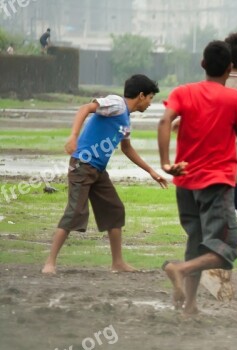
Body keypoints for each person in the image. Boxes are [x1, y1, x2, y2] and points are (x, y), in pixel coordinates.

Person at [157, 41, 237, 315]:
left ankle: (190, 304)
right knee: (227, 249)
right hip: (216, 182)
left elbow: (164, 121)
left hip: (185, 180)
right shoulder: (233, 98)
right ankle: (179, 269)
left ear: (202, 64)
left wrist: (166, 162)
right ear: (230, 67)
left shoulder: (183, 92)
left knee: (197, 242)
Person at [42, 75, 166, 275]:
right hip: (82, 165)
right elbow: (86, 108)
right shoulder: (116, 104)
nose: (151, 103)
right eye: (150, 98)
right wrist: (73, 135)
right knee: (74, 212)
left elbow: (127, 148)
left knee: (114, 209)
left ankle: (117, 263)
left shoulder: (125, 119)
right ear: (141, 96)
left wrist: (151, 171)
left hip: (98, 170)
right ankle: (50, 263)